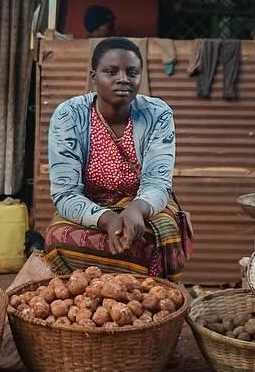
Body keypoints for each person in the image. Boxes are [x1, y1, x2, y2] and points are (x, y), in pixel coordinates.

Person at [44, 37, 192, 278]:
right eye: (111, 71)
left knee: (164, 231)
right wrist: (106, 219)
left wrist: (136, 209)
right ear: (94, 76)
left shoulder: (157, 113)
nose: (123, 79)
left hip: (141, 202)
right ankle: (88, 290)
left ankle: (151, 294)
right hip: (91, 205)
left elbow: (158, 183)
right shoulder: (69, 115)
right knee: (57, 236)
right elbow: (65, 193)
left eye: (132, 72)